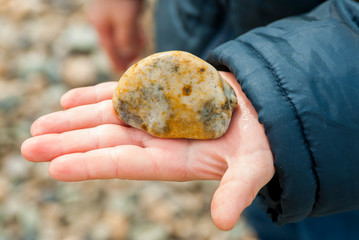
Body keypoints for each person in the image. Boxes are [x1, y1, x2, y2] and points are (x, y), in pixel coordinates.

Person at [21, 0, 359, 239]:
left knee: (325, 221)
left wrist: (286, 97)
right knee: (261, 202)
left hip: (335, 132)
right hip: (207, 29)